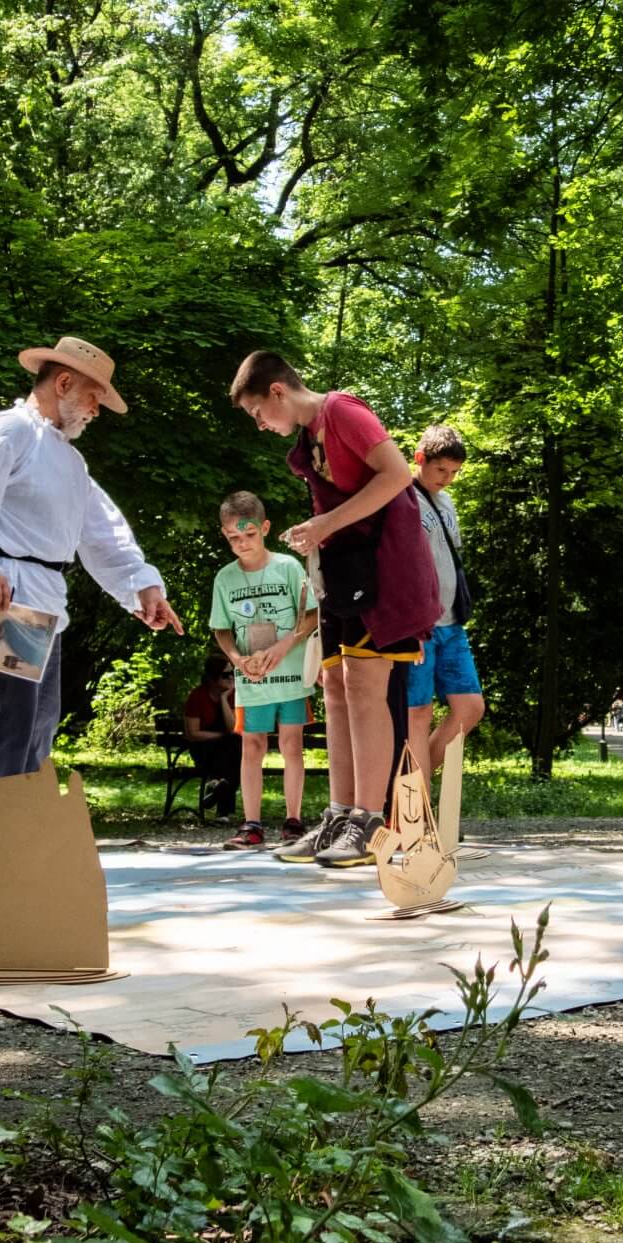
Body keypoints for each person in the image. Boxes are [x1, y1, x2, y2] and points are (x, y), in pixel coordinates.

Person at [0, 335, 182, 782]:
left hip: (43, 601)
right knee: (8, 725)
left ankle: (14, 835)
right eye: (92, 397)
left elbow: (102, 529)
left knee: (37, 729)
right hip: (1, 596)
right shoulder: (9, 428)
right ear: (63, 382)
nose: (95, 410)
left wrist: (142, 584)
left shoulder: (69, 460)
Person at [230, 351, 440, 867]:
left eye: (258, 412)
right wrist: (318, 534)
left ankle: (370, 822)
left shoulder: (343, 411)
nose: (261, 425)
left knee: (368, 688)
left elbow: (395, 475)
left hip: (384, 571)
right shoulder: (309, 437)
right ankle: (340, 815)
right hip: (342, 574)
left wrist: (325, 524)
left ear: (278, 391)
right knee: (337, 688)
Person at [209, 491, 318, 849]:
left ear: (265, 528)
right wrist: (237, 660)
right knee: (251, 747)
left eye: (249, 534)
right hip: (252, 680)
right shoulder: (225, 578)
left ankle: (293, 822)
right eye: (233, 537)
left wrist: (284, 646)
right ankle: (251, 825)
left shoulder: (287, 567)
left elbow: (312, 615)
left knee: (291, 745)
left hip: (289, 677)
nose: (242, 543)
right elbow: (221, 628)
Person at [405, 426, 485, 787]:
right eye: (441, 471)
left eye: (454, 473)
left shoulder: (447, 502)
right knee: (417, 713)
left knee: (470, 708)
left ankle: (408, 792)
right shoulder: (401, 498)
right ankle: (415, 815)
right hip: (418, 625)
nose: (448, 479)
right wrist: (411, 623)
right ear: (420, 459)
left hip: (452, 623)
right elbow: (400, 566)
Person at [182, 656, 241, 822]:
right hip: (204, 749)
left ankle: (215, 785)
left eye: (232, 674)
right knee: (231, 749)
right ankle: (223, 812)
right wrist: (220, 736)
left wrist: (223, 698)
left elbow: (232, 728)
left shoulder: (232, 696)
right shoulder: (197, 696)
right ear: (212, 678)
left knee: (235, 747)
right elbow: (192, 734)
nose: (231, 678)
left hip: (227, 750)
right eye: (225, 675)